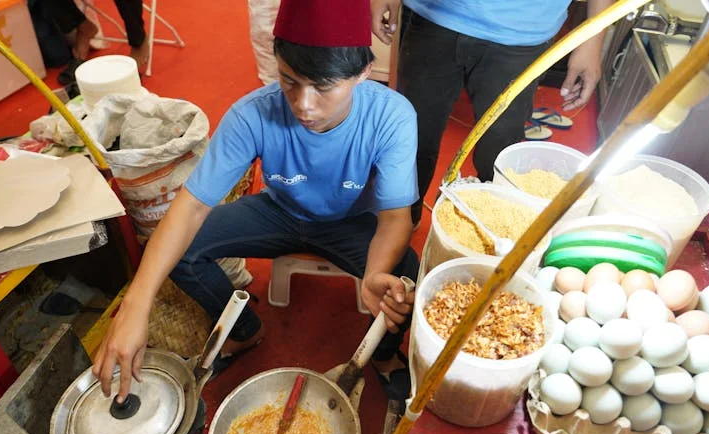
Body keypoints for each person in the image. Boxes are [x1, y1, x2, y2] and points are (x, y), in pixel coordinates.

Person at [93, 0, 420, 403]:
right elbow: (190, 207)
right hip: (280, 211)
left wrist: (374, 273)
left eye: (323, 87)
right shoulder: (253, 114)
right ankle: (245, 331)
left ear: (363, 73)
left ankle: (383, 356)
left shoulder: (391, 116)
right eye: (289, 81)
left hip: (350, 222)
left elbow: (394, 219)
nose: (303, 105)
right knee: (179, 249)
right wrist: (134, 307)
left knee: (405, 275)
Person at [371, 0, 613, 225]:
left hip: (523, 33)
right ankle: (402, 224)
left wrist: (592, 40)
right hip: (434, 18)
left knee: (498, 154)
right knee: (412, 139)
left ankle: (481, 231)